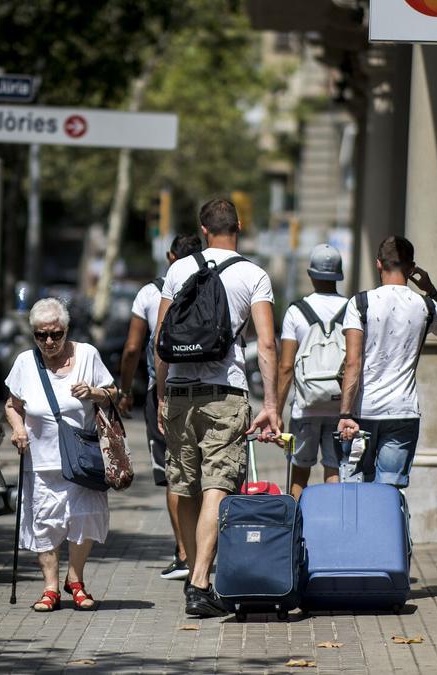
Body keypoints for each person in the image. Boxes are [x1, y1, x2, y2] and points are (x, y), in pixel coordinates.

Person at [155, 198, 282, 618]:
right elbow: (266, 343)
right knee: (218, 487)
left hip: (178, 393)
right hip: (225, 393)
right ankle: (199, 583)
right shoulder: (254, 274)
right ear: (239, 226)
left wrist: (160, 393)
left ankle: (196, 574)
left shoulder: (178, 269)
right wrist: (272, 404)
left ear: (203, 229)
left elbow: (162, 337)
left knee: (185, 486)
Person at [5, 298, 117, 612]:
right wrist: (18, 428)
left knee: (83, 520)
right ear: (34, 335)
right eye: (41, 336)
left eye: (56, 334)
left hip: (81, 459)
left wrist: (93, 393)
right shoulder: (25, 363)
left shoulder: (87, 355)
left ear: (66, 330)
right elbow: (12, 406)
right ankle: (50, 588)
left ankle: (76, 580)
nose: (50, 341)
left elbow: (113, 394)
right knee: (45, 523)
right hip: (40, 461)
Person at [336, 236, 437, 487]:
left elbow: (353, 363)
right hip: (402, 411)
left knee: (358, 492)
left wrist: (345, 413)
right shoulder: (426, 306)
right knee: (390, 492)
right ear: (412, 268)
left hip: (363, 412)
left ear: (378, 264)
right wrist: (431, 289)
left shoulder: (360, 303)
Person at [117, 233, 204, 581]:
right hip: (214, 389)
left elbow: (133, 347)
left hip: (165, 393)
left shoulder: (151, 293)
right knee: (206, 472)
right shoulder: (216, 282)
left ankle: (184, 552)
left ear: (170, 256)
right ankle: (206, 551)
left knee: (175, 473)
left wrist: (125, 390)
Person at [275, 244, 349, 499]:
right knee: (335, 470)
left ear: (311, 274)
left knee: (300, 471)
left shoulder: (296, 311)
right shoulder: (352, 309)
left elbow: (285, 367)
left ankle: (297, 528)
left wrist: (275, 410)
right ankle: (333, 530)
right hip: (340, 407)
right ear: (339, 274)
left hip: (305, 407)